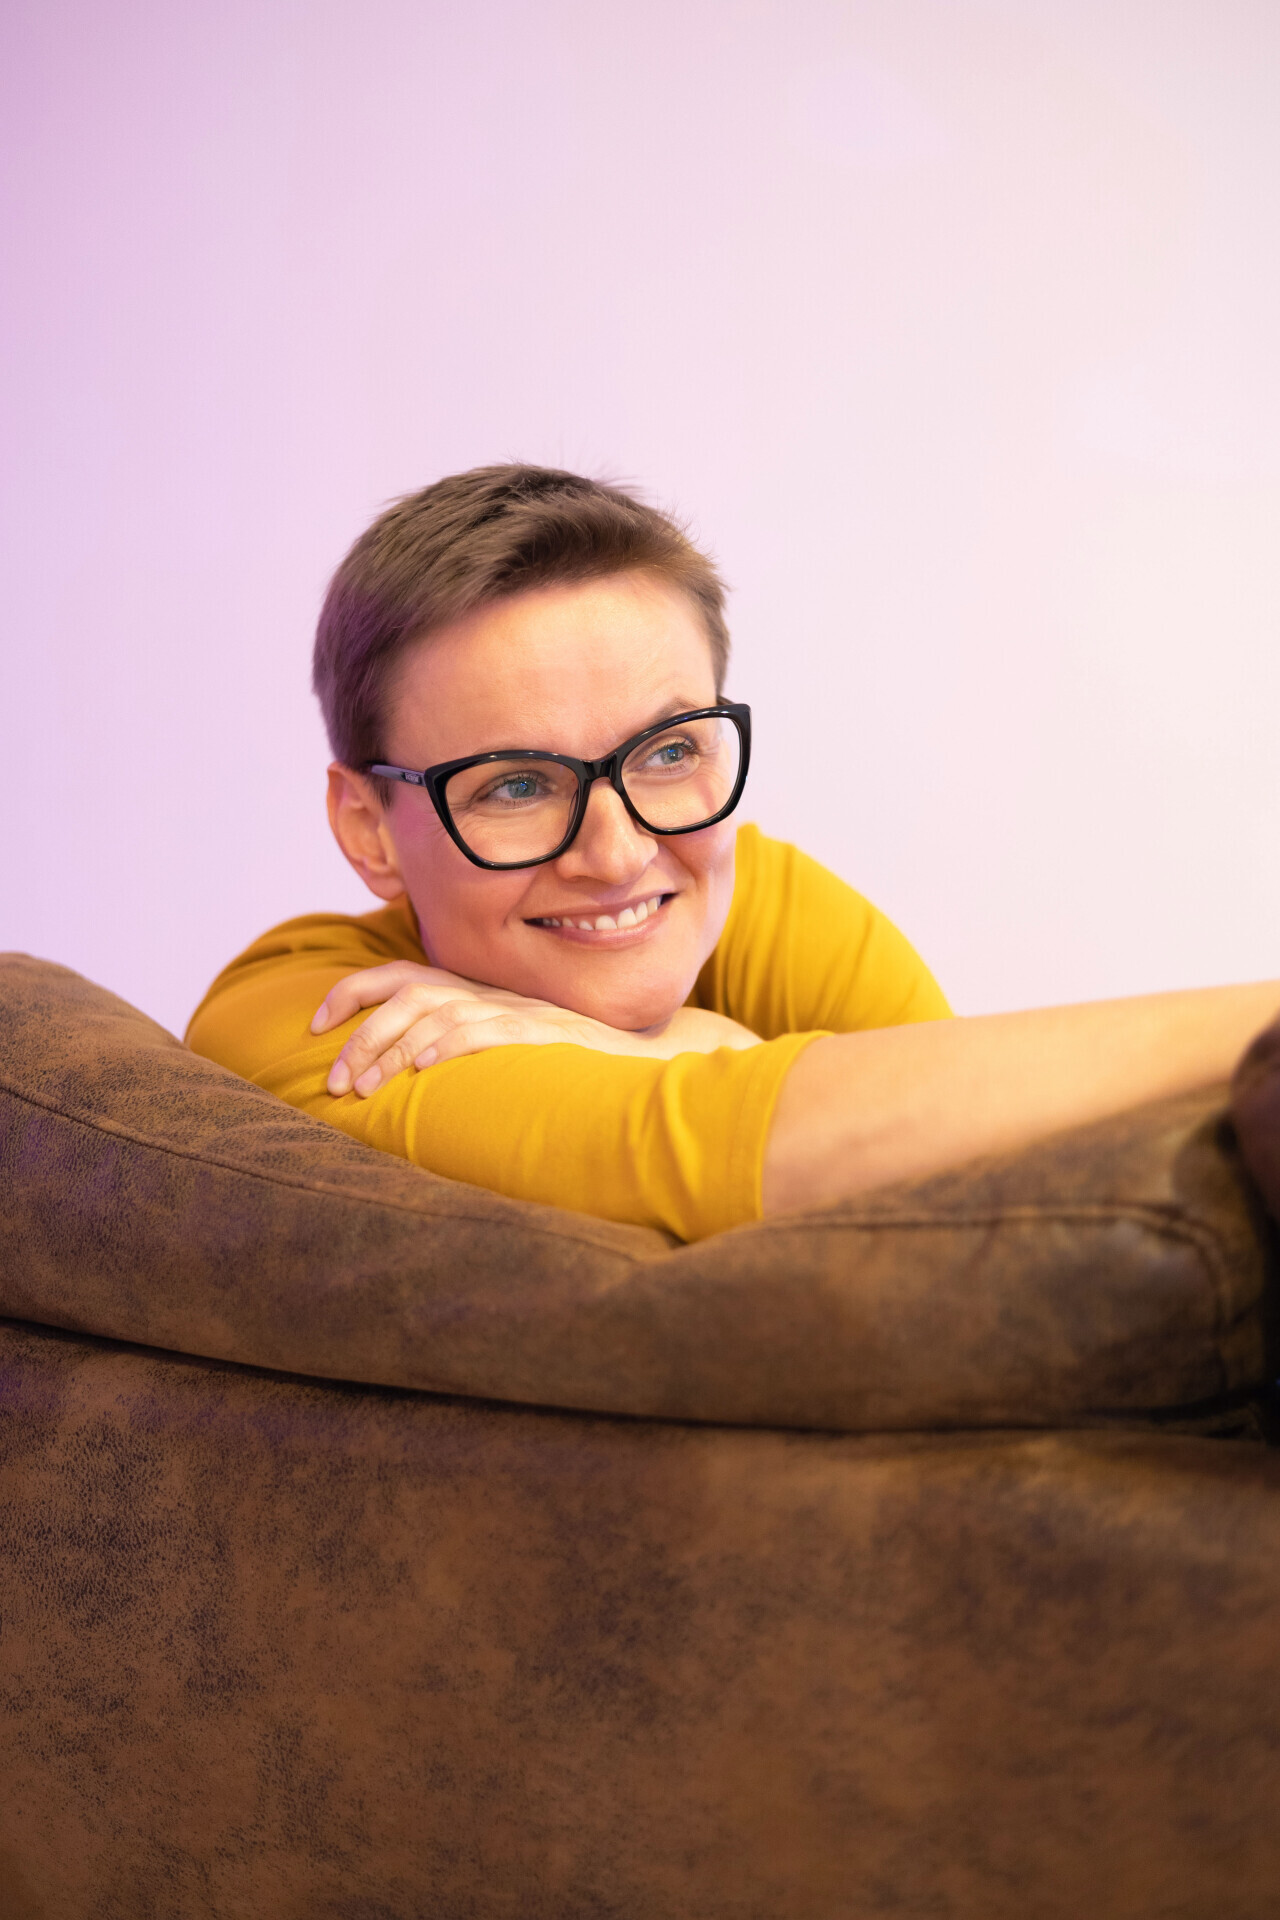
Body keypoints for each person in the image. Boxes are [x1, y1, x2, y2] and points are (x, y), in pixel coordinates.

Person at [186, 465, 1279, 1241]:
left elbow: (988, 1190)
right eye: (516, 784)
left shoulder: (760, 903)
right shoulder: (313, 1020)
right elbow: (697, 1149)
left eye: (668, 752)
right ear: (368, 827)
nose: (618, 855)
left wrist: (681, 1040)